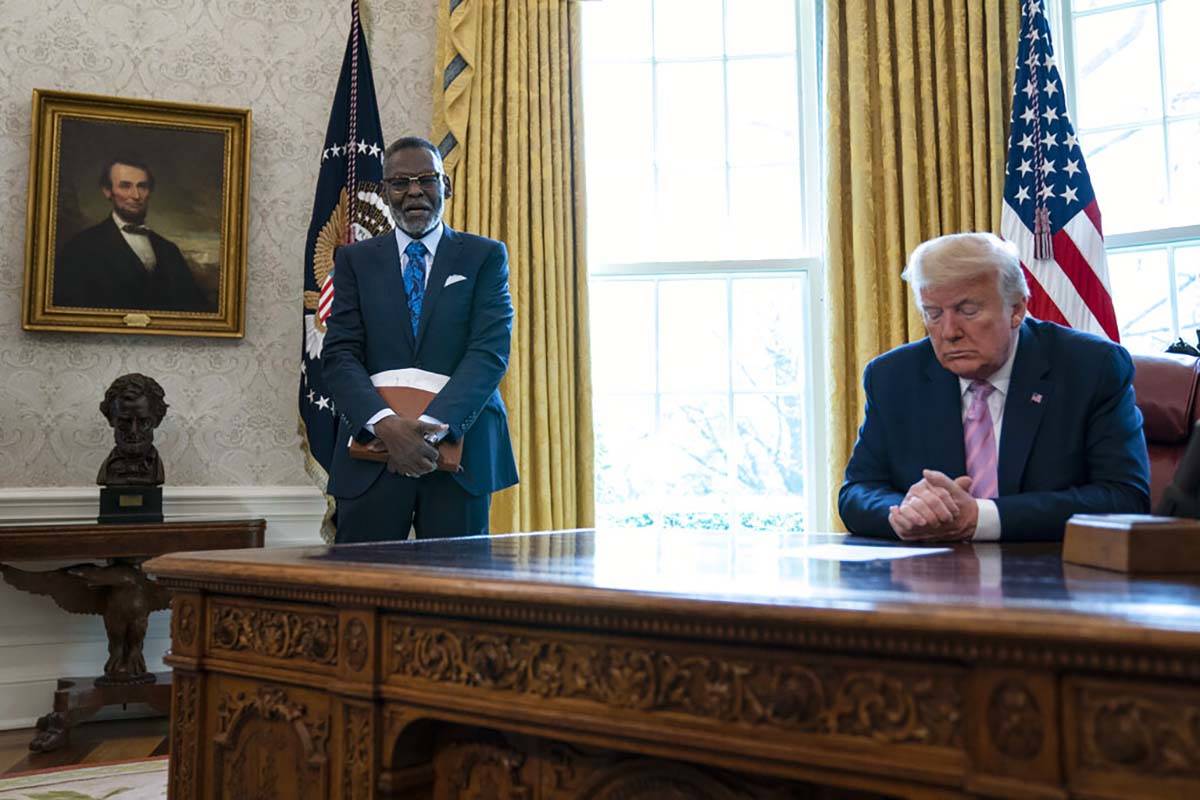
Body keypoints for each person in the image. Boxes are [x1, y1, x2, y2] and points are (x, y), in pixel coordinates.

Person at [839, 232, 1149, 542]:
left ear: (1016, 310)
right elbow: (857, 492)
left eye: (968, 311)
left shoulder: (1091, 367)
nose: (948, 332)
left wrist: (982, 516)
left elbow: (1125, 497)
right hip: (934, 579)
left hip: (1053, 577)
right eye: (933, 314)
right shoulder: (893, 377)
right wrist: (907, 510)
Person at [322, 136, 518, 543]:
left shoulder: (484, 257)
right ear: (385, 191)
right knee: (362, 592)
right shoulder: (354, 261)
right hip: (373, 456)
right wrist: (387, 428)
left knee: (454, 598)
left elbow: (489, 353)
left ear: (446, 186)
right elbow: (341, 354)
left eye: (426, 179)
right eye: (400, 182)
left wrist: (427, 431)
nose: (414, 190)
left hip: (458, 456)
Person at [54, 157, 210, 312]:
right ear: (108, 191)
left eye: (142, 186)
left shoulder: (169, 250)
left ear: (149, 191)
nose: (136, 195)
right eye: (125, 186)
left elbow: (195, 308)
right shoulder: (81, 247)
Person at [97, 373, 168, 486]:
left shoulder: (156, 470)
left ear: (157, 420)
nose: (133, 431)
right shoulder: (107, 470)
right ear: (110, 419)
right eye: (124, 422)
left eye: (144, 422)